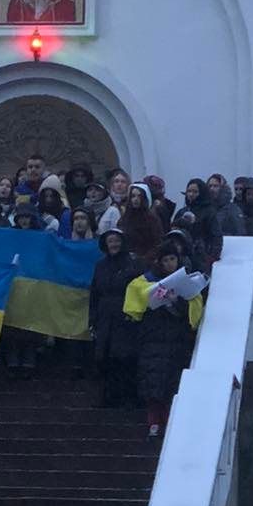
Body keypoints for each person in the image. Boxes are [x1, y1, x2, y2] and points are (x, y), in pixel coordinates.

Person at [124, 235, 205, 440]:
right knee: (152, 384)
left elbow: (192, 311)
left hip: (176, 342)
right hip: (153, 340)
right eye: (165, 260)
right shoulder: (145, 282)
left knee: (171, 385)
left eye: (172, 259)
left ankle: (169, 422)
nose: (169, 264)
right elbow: (138, 305)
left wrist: (176, 301)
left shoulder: (186, 282)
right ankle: (154, 423)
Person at [90, 227, 140, 408]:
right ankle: (108, 396)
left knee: (125, 358)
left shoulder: (133, 263)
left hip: (125, 316)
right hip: (104, 317)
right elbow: (94, 294)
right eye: (110, 241)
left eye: (117, 240)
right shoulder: (100, 265)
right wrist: (92, 319)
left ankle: (128, 397)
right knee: (104, 358)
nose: (114, 244)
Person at [118, 183, 166, 266]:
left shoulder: (152, 220)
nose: (135, 199)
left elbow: (158, 243)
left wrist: (144, 258)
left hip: (146, 263)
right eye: (133, 196)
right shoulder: (124, 219)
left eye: (139, 196)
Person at [206, 174, 244, 240]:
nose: (212, 189)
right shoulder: (205, 209)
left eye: (215, 186)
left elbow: (240, 234)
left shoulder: (233, 209)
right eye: (210, 186)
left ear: (223, 188)